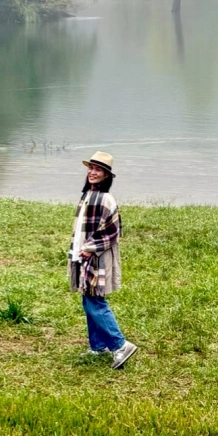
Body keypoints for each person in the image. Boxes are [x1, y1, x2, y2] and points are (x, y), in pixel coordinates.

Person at [68, 151, 138, 369]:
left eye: (98, 170)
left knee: (95, 302)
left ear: (107, 175)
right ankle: (98, 347)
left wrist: (89, 248)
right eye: (91, 168)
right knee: (88, 299)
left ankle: (120, 345)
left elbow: (113, 230)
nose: (92, 172)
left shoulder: (106, 199)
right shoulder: (88, 195)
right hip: (84, 255)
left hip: (95, 257)